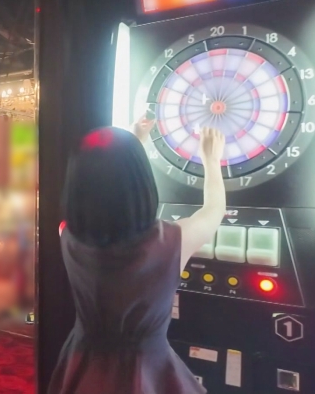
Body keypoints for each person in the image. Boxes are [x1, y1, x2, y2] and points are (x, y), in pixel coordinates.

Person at [48, 120, 226, 394]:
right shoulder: (171, 242)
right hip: (147, 371)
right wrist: (211, 159)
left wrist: (134, 140)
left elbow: (105, 187)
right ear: (143, 183)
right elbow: (213, 211)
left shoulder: (67, 234)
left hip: (82, 363)